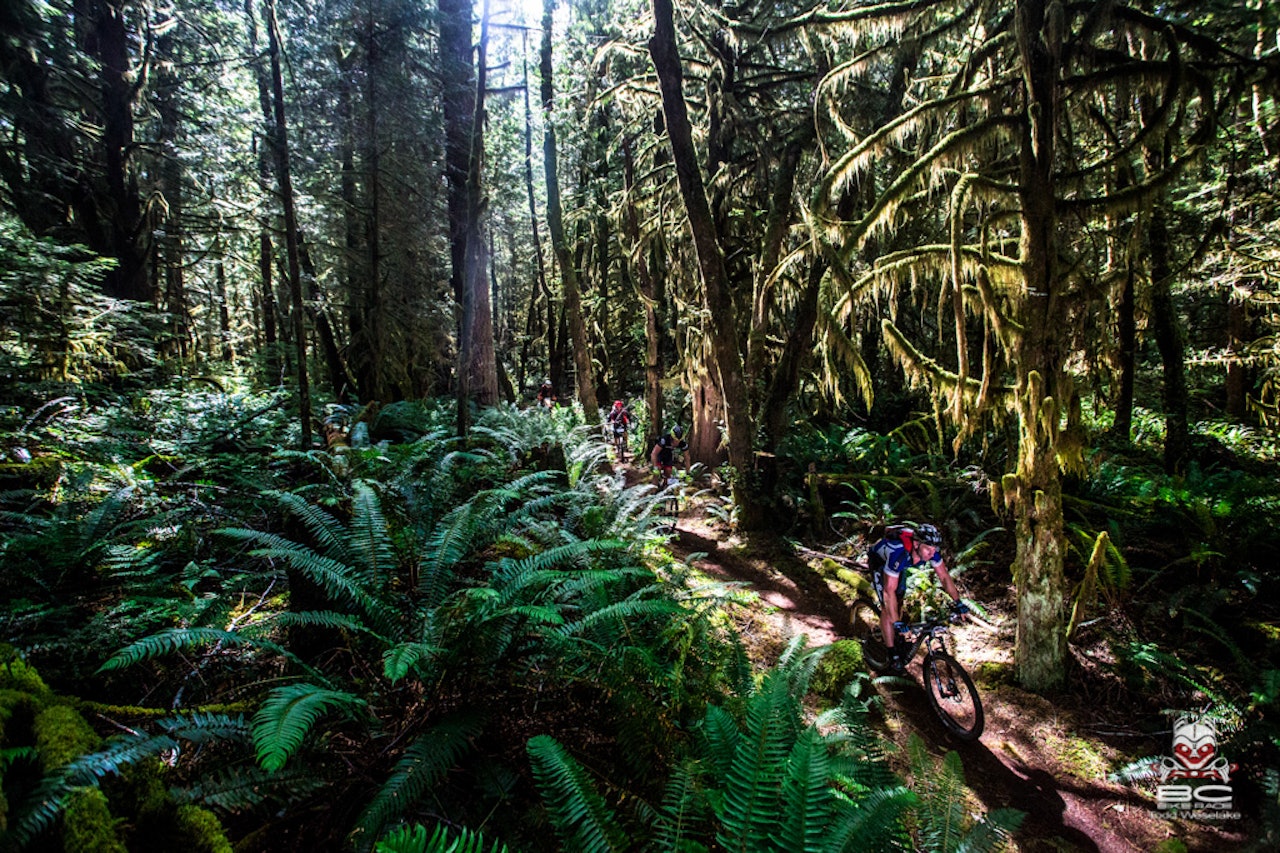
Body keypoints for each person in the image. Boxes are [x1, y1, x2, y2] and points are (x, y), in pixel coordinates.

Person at [867, 523, 968, 673]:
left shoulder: (931, 552)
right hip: (880, 562)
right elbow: (888, 592)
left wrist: (958, 602)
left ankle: (896, 634)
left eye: (934, 549)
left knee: (898, 602)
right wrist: (896, 622)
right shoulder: (898, 553)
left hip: (899, 567)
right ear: (916, 544)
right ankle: (891, 654)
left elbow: (944, 577)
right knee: (888, 608)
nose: (931, 553)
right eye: (928, 548)